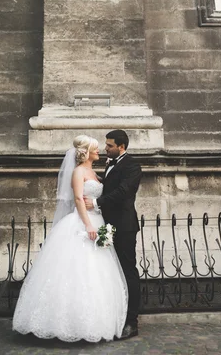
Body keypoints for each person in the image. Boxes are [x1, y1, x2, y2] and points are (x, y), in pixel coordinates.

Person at [12, 135, 128, 342]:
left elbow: (95, 197)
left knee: (97, 272)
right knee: (74, 270)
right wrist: (88, 225)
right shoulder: (78, 171)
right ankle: (64, 324)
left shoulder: (93, 172)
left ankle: (94, 323)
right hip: (84, 224)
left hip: (98, 220)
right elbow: (77, 199)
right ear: (86, 152)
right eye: (95, 149)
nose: (99, 151)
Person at [84, 129, 142, 339]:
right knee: (111, 272)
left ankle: (132, 322)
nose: (105, 148)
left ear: (121, 147)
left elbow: (124, 192)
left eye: (109, 145)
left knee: (128, 271)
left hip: (124, 226)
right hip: (107, 224)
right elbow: (110, 186)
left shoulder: (133, 166)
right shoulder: (110, 163)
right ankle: (115, 315)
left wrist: (97, 202)